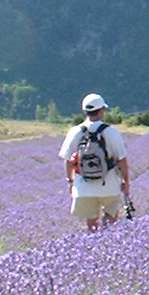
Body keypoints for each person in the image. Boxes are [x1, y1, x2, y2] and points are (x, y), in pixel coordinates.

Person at [59, 93, 131, 231]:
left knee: (91, 222)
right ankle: (108, 242)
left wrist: (71, 181)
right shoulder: (111, 132)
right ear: (102, 111)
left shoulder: (75, 132)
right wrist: (126, 182)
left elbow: (68, 161)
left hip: (84, 185)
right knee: (111, 217)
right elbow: (122, 161)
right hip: (109, 183)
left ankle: (94, 243)